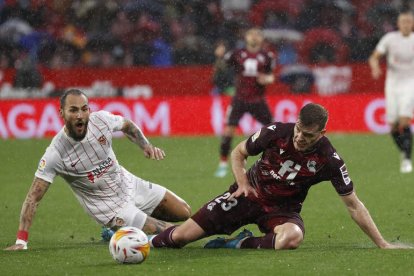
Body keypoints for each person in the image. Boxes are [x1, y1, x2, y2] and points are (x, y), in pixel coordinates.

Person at [150, 103, 409, 250]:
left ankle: (238, 244)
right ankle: (142, 236)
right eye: (298, 130)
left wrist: (382, 244)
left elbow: (354, 205)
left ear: (322, 133)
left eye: (308, 135)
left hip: (282, 211)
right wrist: (241, 183)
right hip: (245, 196)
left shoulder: (329, 159)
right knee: (178, 239)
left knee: (292, 238)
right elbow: (239, 153)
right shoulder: (275, 132)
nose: (299, 137)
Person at [5, 89, 191, 251]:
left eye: (84, 109)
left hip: (129, 184)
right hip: (110, 208)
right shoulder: (56, 154)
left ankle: (126, 228)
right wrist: (21, 240)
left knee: (185, 212)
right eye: (73, 110)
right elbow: (33, 198)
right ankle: (123, 226)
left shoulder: (101, 120)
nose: (80, 115)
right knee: (175, 234)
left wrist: (145, 145)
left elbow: (127, 125)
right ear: (62, 112)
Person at [214, 27, 276, 178]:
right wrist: (219, 56)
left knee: (274, 131)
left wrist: (266, 79)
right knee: (228, 131)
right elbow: (221, 67)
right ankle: (222, 164)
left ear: (261, 39)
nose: (254, 37)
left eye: (257, 34)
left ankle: (274, 161)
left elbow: (271, 76)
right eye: (251, 34)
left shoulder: (267, 56)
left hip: (258, 100)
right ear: (246, 37)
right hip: (239, 99)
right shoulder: (237, 54)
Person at [369, 10, 414, 173]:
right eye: (403, 21)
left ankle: (407, 160)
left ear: (412, 23)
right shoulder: (390, 39)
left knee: (404, 121)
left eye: (409, 21)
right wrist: (375, 67)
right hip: (393, 84)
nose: (406, 24)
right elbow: (374, 57)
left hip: (410, 83)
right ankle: (404, 150)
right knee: (393, 127)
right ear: (398, 23)